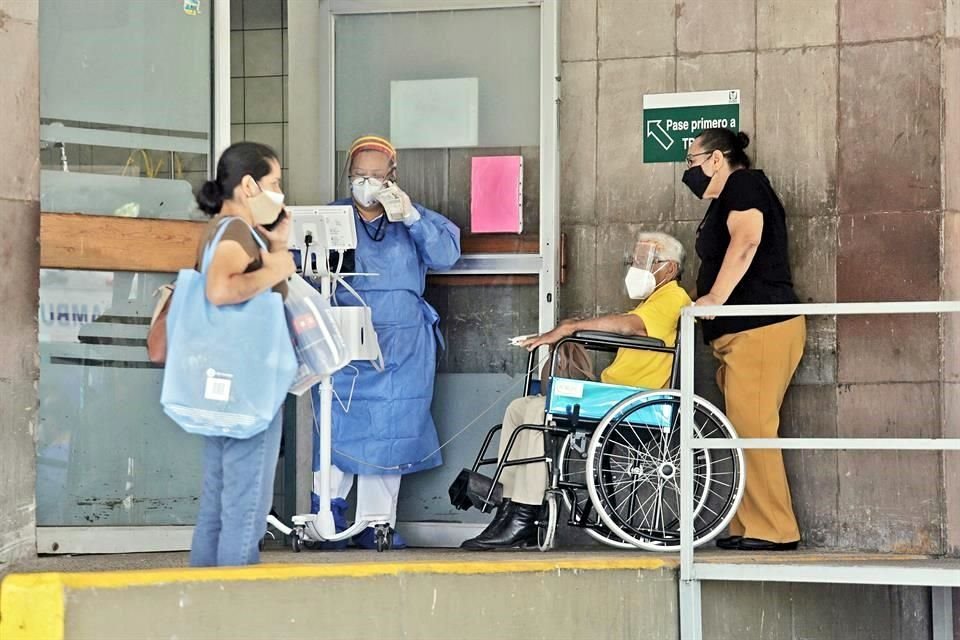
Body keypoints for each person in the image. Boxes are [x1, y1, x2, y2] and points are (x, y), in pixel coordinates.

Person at [460, 232, 692, 550]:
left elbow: (630, 327)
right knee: (520, 407)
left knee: (537, 412)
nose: (637, 267)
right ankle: (511, 508)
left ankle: (524, 516)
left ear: (669, 268)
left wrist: (570, 329)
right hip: (615, 394)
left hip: (636, 399)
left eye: (645, 260)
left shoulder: (673, 297)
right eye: (635, 260)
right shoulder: (651, 301)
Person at [311, 135, 461, 549]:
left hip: (402, 342)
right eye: (360, 176)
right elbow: (296, 264)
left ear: (393, 177)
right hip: (343, 336)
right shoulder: (328, 218)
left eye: (377, 176)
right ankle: (328, 517)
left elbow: (447, 254)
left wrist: (410, 217)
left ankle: (377, 524)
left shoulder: (413, 218)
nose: (368, 184)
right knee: (335, 423)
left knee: (392, 429)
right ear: (348, 176)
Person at [683, 128, 804, 552]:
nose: (689, 171)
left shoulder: (744, 184)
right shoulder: (726, 197)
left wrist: (715, 297)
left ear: (717, 159)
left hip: (760, 328)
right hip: (742, 334)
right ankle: (747, 523)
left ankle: (774, 528)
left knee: (753, 428)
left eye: (692, 161)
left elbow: (748, 238)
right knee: (742, 429)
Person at [189, 142, 296, 566]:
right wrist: (279, 267)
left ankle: (203, 605)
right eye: (275, 182)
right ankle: (232, 609)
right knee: (245, 506)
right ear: (248, 185)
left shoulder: (222, 229)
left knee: (219, 502)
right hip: (248, 383)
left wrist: (278, 246)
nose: (279, 192)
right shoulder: (235, 231)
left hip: (223, 379)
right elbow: (220, 290)